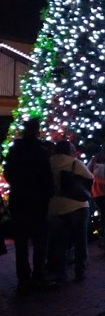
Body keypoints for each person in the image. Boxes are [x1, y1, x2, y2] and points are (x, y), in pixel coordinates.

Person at [3, 118, 55, 292]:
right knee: (40, 240)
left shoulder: (15, 150)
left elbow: (8, 173)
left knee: (21, 242)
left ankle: (23, 279)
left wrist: (17, 186)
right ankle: (38, 275)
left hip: (19, 200)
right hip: (37, 201)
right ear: (36, 131)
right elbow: (47, 177)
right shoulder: (41, 152)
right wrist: (47, 194)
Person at [47, 140, 93, 283]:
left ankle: (61, 272)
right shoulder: (74, 163)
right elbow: (90, 177)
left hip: (55, 206)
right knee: (80, 241)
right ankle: (80, 271)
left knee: (59, 242)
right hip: (77, 205)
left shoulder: (49, 163)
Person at [87, 143, 105, 238]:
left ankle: (103, 234)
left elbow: (88, 171)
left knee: (104, 213)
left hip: (97, 190)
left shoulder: (95, 159)